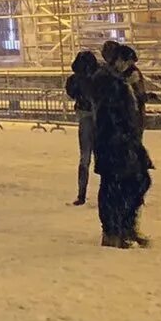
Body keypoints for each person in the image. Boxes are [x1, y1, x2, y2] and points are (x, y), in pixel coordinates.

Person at [88, 42, 153, 248]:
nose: (129, 67)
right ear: (117, 61)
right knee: (113, 186)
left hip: (127, 141)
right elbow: (110, 106)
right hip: (112, 142)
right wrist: (126, 83)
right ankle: (112, 231)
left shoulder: (120, 80)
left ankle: (126, 225)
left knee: (139, 180)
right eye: (127, 63)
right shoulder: (105, 79)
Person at [65, 49, 98, 206]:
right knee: (103, 155)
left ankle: (81, 193)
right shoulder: (99, 77)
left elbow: (71, 92)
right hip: (100, 116)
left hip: (84, 115)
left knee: (84, 156)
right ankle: (109, 190)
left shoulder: (75, 79)